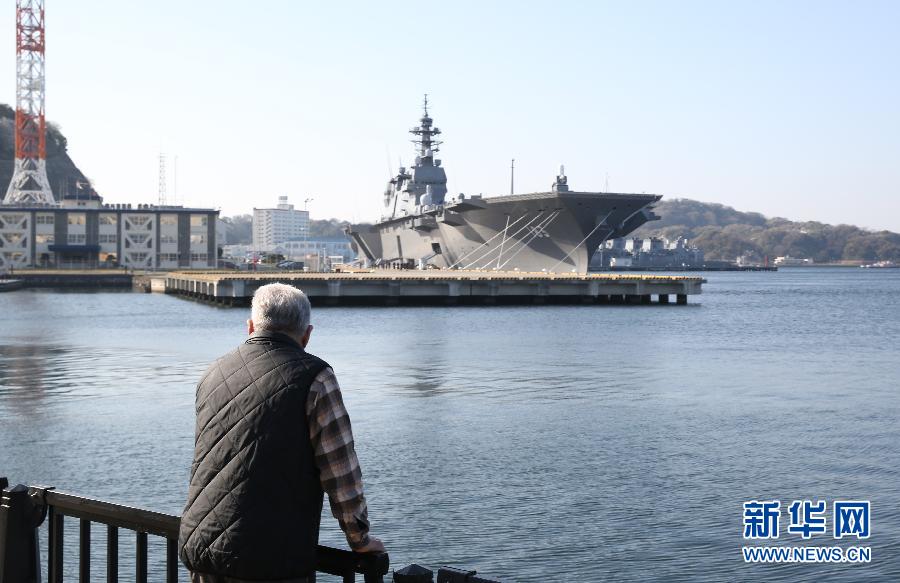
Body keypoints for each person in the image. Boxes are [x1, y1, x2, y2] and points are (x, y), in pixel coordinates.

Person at [179, 283, 384, 583]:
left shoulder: (213, 373)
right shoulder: (315, 377)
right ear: (307, 335)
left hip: (203, 551)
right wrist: (359, 539)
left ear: (250, 327)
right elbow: (340, 471)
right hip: (270, 557)